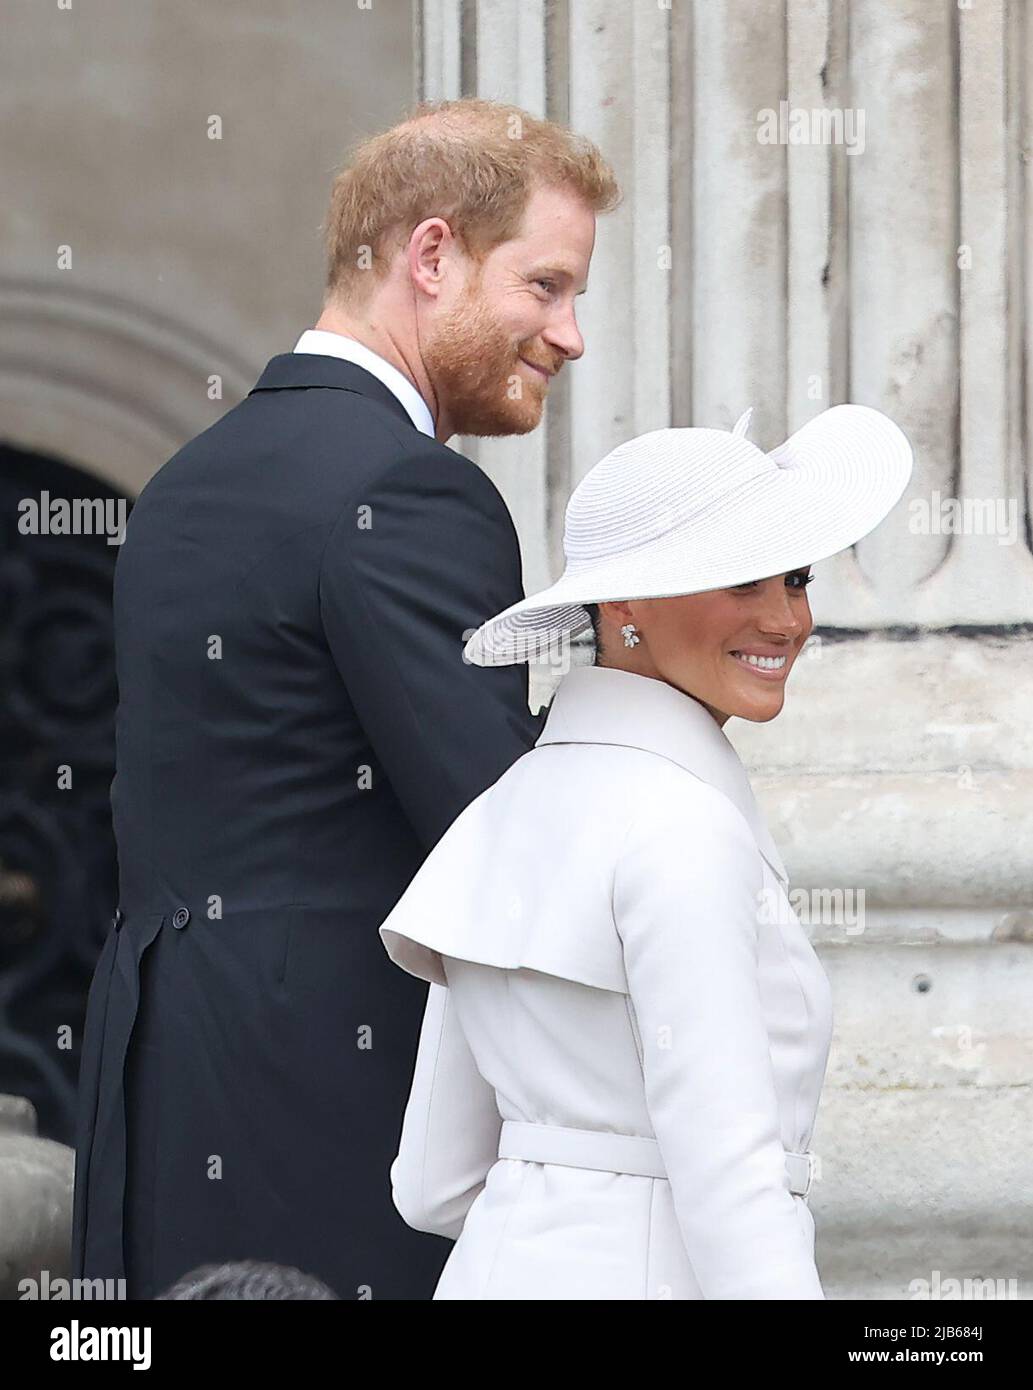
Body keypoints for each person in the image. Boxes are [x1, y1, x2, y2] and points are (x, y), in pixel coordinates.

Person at [69, 97, 619, 1301]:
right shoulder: (411, 492)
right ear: (431, 255)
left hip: (154, 1098)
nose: (569, 334)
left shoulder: (180, 483)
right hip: (335, 1121)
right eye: (545, 285)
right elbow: (498, 835)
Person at [378, 403, 914, 1298]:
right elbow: (734, 1190)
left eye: (795, 579)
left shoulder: (500, 811)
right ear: (623, 602)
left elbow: (431, 1183)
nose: (785, 619)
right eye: (741, 581)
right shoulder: (683, 824)